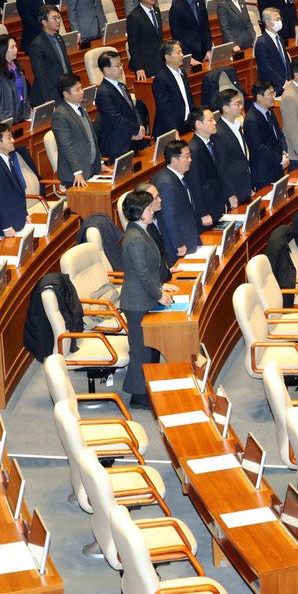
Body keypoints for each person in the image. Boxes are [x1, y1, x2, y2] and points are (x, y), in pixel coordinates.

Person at [120, 189, 178, 408]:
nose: (152, 209)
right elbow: (142, 274)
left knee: (149, 346)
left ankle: (148, 386)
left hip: (146, 297)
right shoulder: (134, 237)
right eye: (148, 207)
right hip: (137, 302)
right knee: (140, 349)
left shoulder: (143, 230)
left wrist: (161, 286)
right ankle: (138, 396)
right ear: (139, 212)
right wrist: (160, 295)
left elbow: (150, 269)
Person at [0, 122, 39, 236]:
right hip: (9, 227)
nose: (13, 140)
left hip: (19, 219)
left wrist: (25, 214)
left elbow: (18, 192)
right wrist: (5, 227)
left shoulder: (8, 159)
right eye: (8, 138)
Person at [153, 140, 201, 258]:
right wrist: (178, 244)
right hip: (178, 246)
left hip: (188, 236)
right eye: (186, 157)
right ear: (174, 160)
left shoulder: (175, 176)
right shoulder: (167, 184)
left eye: (190, 156)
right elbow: (169, 218)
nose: (190, 160)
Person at [51, 75, 101, 187]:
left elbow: (91, 137)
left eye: (81, 88)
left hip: (91, 167)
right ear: (66, 95)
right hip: (75, 176)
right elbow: (66, 146)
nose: (82, 92)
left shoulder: (81, 106)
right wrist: (77, 172)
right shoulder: (60, 115)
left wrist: (100, 162)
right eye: (77, 90)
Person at [95, 51, 144, 162]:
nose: (121, 68)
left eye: (121, 64)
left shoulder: (121, 86)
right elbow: (115, 119)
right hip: (118, 145)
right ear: (106, 69)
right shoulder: (103, 92)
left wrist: (139, 127)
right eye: (117, 66)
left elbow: (132, 109)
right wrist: (136, 129)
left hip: (132, 140)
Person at [212, 89, 255, 206]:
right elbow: (222, 167)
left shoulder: (237, 125)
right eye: (237, 104)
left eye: (241, 102)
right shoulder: (218, 133)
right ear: (225, 108)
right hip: (234, 190)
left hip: (245, 185)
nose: (241, 106)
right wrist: (230, 194)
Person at [244, 80, 289, 191]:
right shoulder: (251, 120)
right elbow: (261, 148)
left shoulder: (269, 110)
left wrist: (284, 151)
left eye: (274, 93)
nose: (274, 96)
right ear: (259, 97)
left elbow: (279, 133)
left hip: (277, 166)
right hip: (264, 172)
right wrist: (280, 159)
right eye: (270, 94)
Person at [27, 7, 71, 107]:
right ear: (44, 22)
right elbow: (40, 76)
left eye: (58, 17)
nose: (58, 21)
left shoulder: (59, 37)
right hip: (50, 94)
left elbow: (65, 63)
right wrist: (49, 102)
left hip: (64, 89)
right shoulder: (37, 44)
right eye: (54, 18)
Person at [0, 34, 30, 126]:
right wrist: (4, 122)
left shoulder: (16, 67)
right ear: (3, 49)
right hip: (6, 120)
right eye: (12, 47)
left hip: (21, 115)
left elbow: (23, 93)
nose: (16, 50)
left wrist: (28, 111)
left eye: (16, 46)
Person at [152, 39, 195, 136]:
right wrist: (173, 129)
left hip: (186, 124)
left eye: (181, 52)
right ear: (168, 57)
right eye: (178, 53)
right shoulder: (160, 79)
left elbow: (189, 99)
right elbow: (164, 108)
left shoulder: (183, 73)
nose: (182, 55)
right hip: (170, 128)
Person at [170, 0, 213, 64]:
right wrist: (187, 57)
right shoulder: (176, 7)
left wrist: (209, 50)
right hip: (189, 54)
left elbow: (206, 28)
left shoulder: (200, 2)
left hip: (205, 52)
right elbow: (177, 36)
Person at [126, 0, 165, 79]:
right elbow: (133, 45)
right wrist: (139, 68)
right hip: (146, 66)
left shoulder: (156, 10)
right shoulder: (134, 17)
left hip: (160, 62)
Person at [254, 8, 293, 93]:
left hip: (287, 84)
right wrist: (283, 83)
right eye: (277, 19)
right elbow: (267, 68)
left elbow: (286, 61)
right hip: (273, 88)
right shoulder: (261, 42)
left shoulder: (279, 38)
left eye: (280, 19)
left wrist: (289, 79)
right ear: (268, 22)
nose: (280, 21)